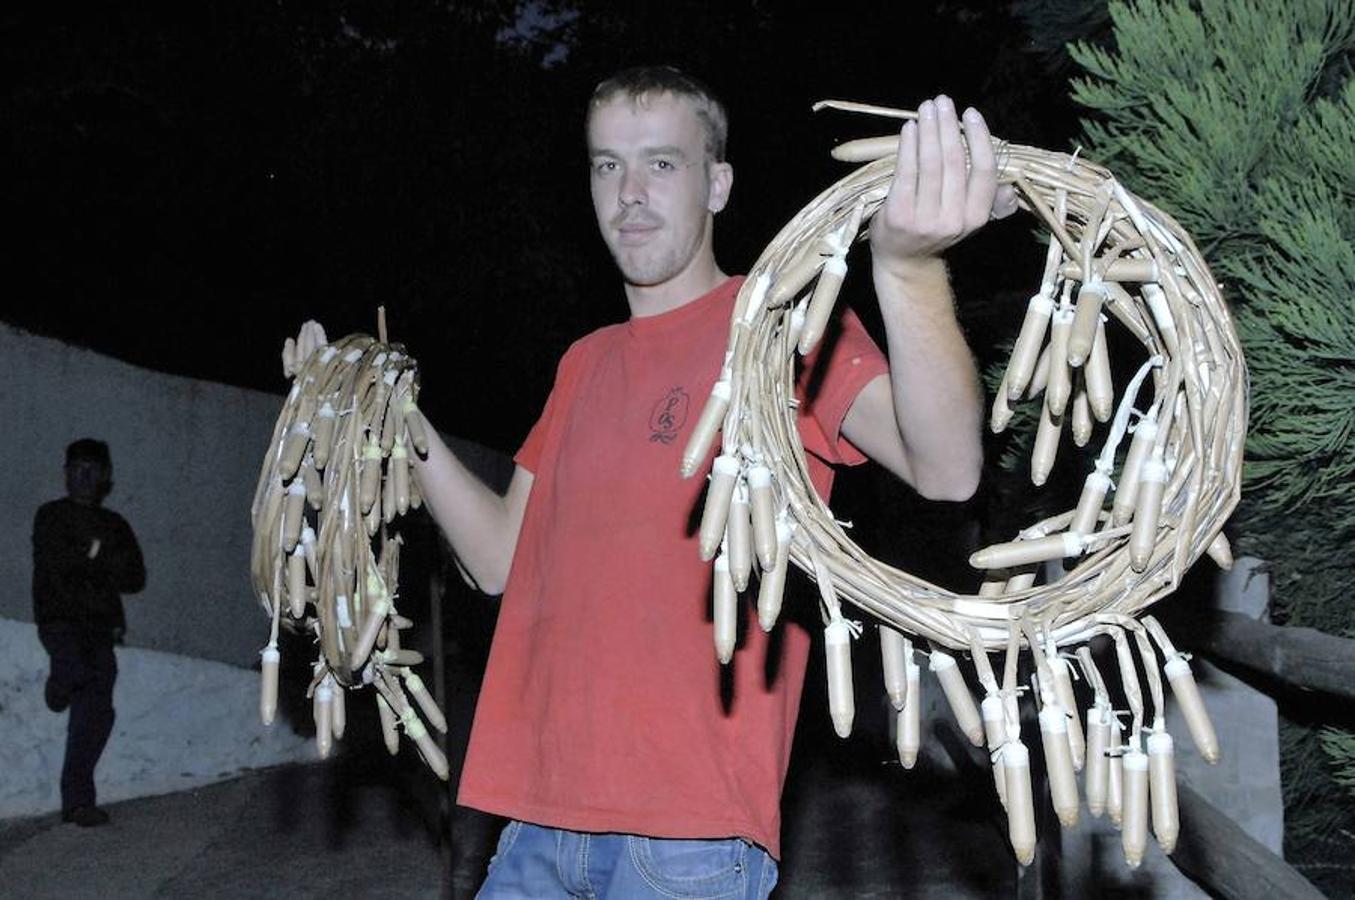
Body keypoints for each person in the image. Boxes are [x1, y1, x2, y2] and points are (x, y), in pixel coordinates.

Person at [288, 65, 1014, 897]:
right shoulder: (584, 363)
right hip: (533, 821)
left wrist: (908, 269)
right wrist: (392, 420)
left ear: (718, 184)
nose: (629, 193)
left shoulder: (778, 325)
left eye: (661, 163)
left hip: (688, 842)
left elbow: (947, 467)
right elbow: (499, 559)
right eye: (607, 165)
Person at [32, 438, 146, 827]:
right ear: (66, 473)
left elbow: (134, 577)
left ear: (105, 477)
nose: (83, 476)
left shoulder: (115, 524)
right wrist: (99, 557)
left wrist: (89, 554)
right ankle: (60, 683)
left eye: (91, 469)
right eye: (76, 468)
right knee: (75, 669)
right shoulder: (51, 516)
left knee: (97, 712)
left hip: (100, 629)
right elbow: (57, 563)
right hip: (61, 621)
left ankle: (79, 802)